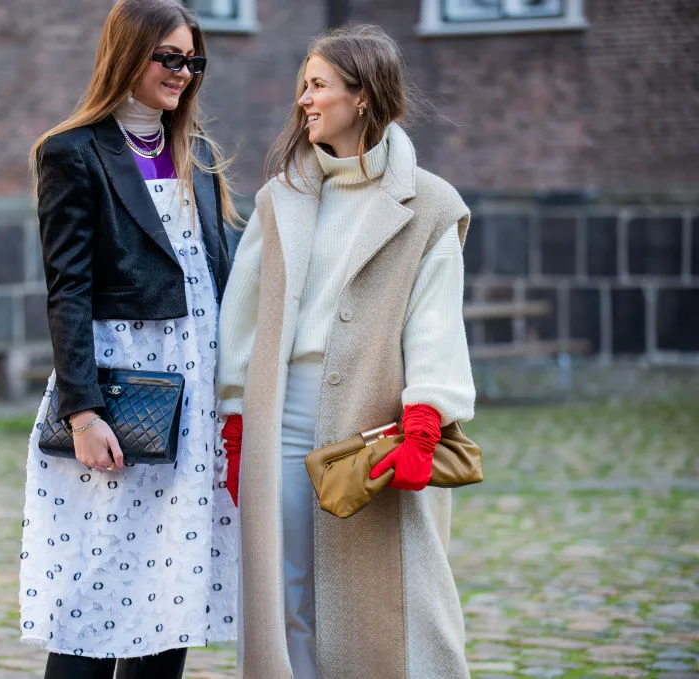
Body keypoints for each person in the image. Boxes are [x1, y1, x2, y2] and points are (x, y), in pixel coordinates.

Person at [218, 24, 476, 679]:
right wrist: (236, 424)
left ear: (362, 96)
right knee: (286, 594)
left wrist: (425, 420)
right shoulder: (282, 199)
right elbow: (242, 316)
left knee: (387, 598)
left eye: (318, 85)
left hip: (375, 424)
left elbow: (436, 321)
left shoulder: (430, 206)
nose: (303, 98)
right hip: (281, 414)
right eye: (303, 85)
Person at [18, 1, 240, 678]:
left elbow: (222, 273)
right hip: (122, 393)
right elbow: (69, 290)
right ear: (128, 55)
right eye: (168, 57)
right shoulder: (73, 152)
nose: (182, 72)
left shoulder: (196, 153)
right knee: (94, 595)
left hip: (195, 397)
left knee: (169, 596)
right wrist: (82, 412)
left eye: (191, 59)